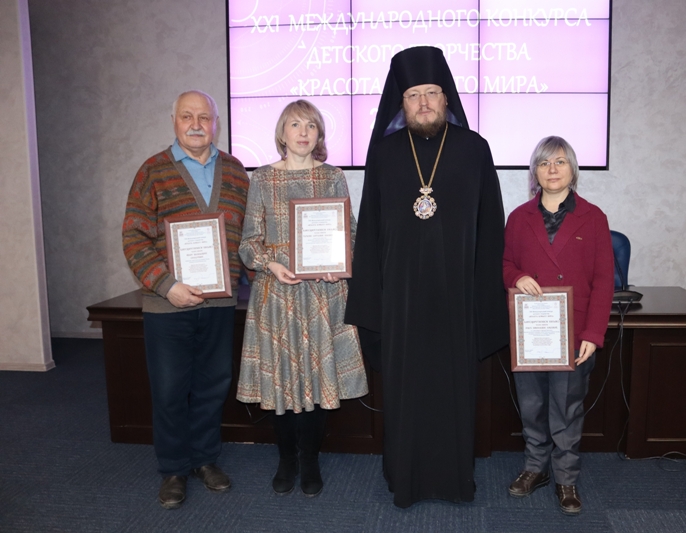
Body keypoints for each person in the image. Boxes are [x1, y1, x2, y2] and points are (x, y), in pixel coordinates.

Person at [344, 46, 508, 508]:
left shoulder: (475, 149)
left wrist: (485, 299)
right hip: (402, 302)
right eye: (413, 95)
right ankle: (406, 479)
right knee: (407, 393)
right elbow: (370, 231)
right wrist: (372, 302)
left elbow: (490, 229)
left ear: (446, 97)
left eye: (431, 93)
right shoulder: (384, 153)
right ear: (401, 102)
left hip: (457, 299)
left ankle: (456, 480)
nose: (423, 103)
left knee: (453, 392)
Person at [122, 90, 250, 509]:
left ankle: (205, 460)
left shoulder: (236, 171)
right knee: (170, 390)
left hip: (219, 305)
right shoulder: (153, 171)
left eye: (204, 117)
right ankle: (174, 468)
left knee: (213, 386)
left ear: (216, 123)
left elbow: (249, 235)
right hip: (168, 305)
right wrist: (166, 285)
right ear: (174, 121)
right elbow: (134, 237)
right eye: (187, 116)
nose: (196, 124)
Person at [236, 100, 368, 498]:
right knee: (281, 381)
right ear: (282, 132)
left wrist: (339, 264)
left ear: (319, 134)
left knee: (316, 379)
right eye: (295, 124)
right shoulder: (262, 178)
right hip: (277, 293)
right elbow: (247, 243)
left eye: (311, 125)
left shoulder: (332, 177)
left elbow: (350, 233)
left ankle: (310, 460)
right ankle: (286, 460)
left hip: (322, 294)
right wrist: (271, 264)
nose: (303, 132)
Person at [502, 136, 614, 515]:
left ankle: (566, 476)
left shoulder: (594, 217)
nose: (552, 169)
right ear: (535, 171)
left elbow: (604, 281)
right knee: (532, 405)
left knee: (567, 408)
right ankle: (536, 467)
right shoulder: (518, 217)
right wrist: (516, 277)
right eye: (545, 162)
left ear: (572, 170)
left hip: (574, 333)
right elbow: (504, 264)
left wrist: (593, 334)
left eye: (560, 162)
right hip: (530, 333)